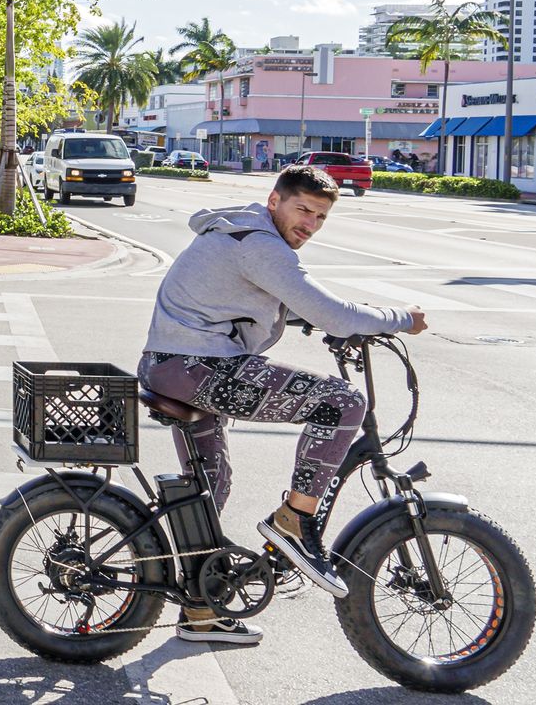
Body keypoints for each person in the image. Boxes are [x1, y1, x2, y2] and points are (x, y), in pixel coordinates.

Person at [139, 165, 425, 646]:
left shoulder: (242, 232)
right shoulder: (261, 245)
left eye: (320, 217)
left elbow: (281, 300)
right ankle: (295, 519)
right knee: (341, 402)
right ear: (275, 201)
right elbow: (330, 311)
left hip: (175, 363)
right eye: (304, 210)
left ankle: (201, 610)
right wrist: (401, 318)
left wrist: (312, 319)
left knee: (211, 485)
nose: (310, 224)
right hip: (198, 366)